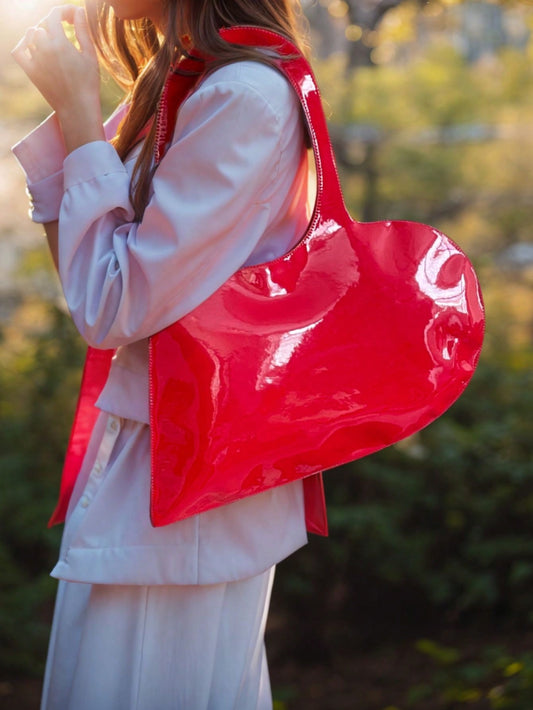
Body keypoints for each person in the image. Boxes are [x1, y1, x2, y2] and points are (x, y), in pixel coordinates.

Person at [12, 1, 327, 708]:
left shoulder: (240, 95)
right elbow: (93, 287)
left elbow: (109, 307)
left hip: (185, 481)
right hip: (157, 466)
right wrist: (79, 119)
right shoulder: (184, 81)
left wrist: (76, 109)